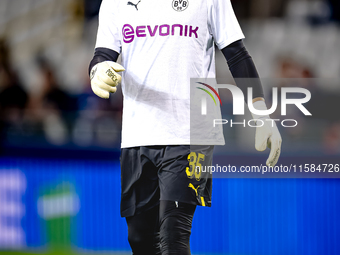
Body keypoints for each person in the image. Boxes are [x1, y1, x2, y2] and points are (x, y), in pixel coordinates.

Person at [88, 0, 282, 254]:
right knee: (140, 239)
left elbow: (237, 54)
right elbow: (103, 55)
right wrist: (97, 71)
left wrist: (261, 113)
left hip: (193, 130)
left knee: (173, 236)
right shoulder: (114, 2)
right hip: (138, 133)